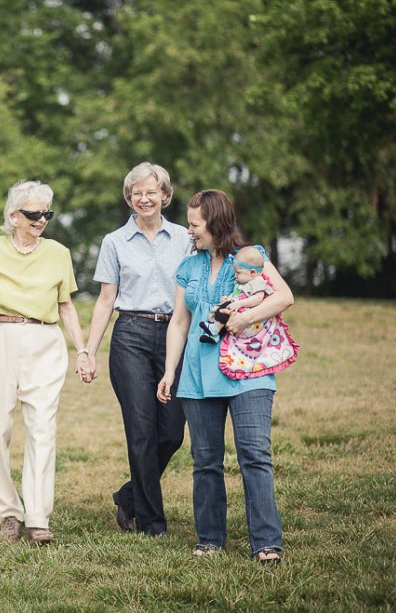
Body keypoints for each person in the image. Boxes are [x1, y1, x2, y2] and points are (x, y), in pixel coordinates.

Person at [156, 189, 294, 565]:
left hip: (248, 374)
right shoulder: (189, 266)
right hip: (198, 377)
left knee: (254, 455)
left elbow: (283, 296)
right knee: (205, 461)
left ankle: (266, 542)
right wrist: (170, 371)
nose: (189, 230)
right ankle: (211, 538)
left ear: (216, 224)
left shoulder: (250, 257)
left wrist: (245, 317)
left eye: (195, 224)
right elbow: (179, 323)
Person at [0, 180, 92, 545]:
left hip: (44, 339)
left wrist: (81, 350)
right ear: (13, 215)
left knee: (41, 428)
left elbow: (66, 304)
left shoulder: (58, 252)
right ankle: (7, 513)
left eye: (46, 214)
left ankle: (38, 516)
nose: (40, 220)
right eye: (33, 214)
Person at [81, 162, 190, 538]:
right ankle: (151, 522)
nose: (144, 198)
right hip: (130, 336)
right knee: (141, 431)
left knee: (172, 432)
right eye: (137, 193)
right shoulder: (114, 241)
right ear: (130, 198)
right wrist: (89, 351)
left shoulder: (184, 240)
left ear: (165, 195)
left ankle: (129, 497)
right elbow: (105, 300)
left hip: (176, 335)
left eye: (151, 191)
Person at [198, 246, 272, 344]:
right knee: (223, 307)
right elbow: (235, 295)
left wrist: (240, 303)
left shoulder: (258, 282)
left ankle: (214, 329)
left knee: (226, 308)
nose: (235, 275)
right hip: (237, 314)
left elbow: (258, 299)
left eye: (238, 272)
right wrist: (227, 298)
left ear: (253, 272)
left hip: (248, 321)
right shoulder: (241, 284)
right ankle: (215, 335)